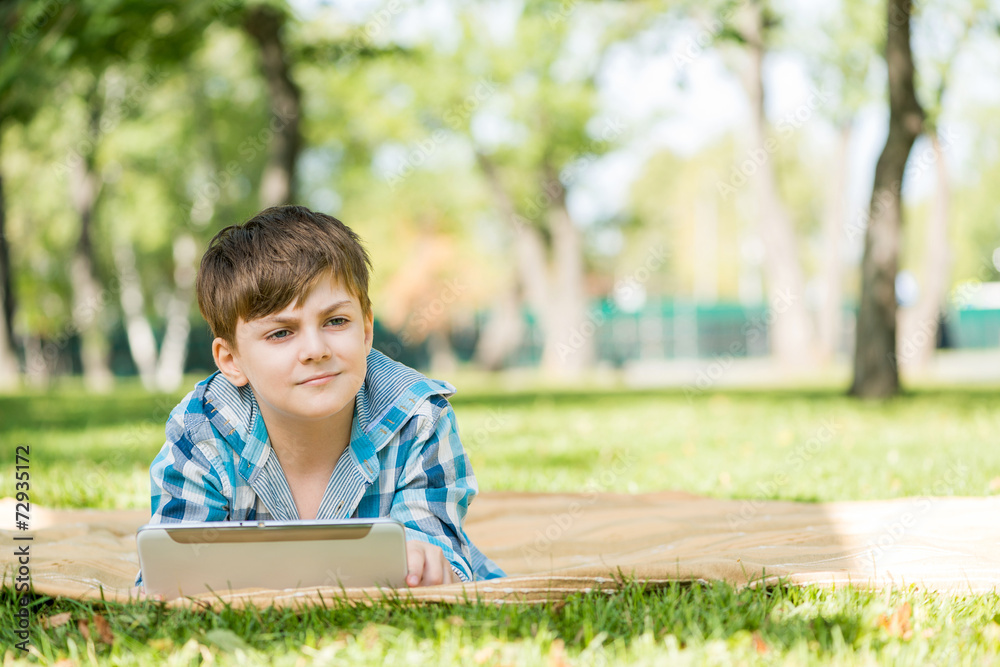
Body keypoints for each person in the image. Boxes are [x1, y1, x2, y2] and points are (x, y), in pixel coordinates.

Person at [135, 205, 504, 591]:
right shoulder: (203, 429)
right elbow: (174, 570)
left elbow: (431, 545)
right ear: (231, 360)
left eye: (336, 321)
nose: (316, 349)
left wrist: (424, 559)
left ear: (365, 331)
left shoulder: (417, 417)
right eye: (280, 333)